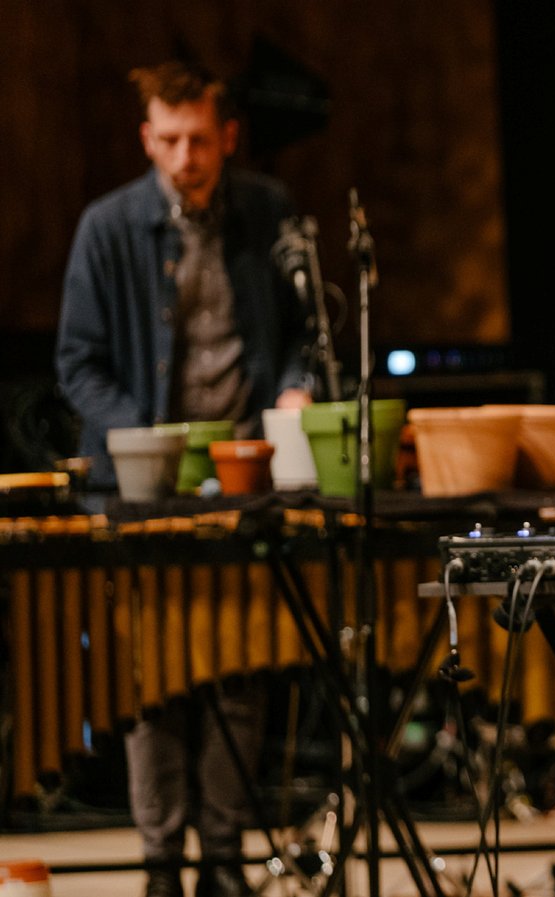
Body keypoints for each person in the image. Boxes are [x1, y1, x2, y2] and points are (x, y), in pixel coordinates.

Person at [55, 58, 313, 897]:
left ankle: (224, 858)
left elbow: (308, 332)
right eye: (168, 140)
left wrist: (297, 387)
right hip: (144, 490)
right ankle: (162, 863)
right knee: (154, 685)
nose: (184, 157)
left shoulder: (267, 210)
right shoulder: (107, 227)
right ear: (146, 139)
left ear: (227, 136)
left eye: (198, 139)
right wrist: (142, 436)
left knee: (239, 675)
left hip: (245, 477)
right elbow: (77, 363)